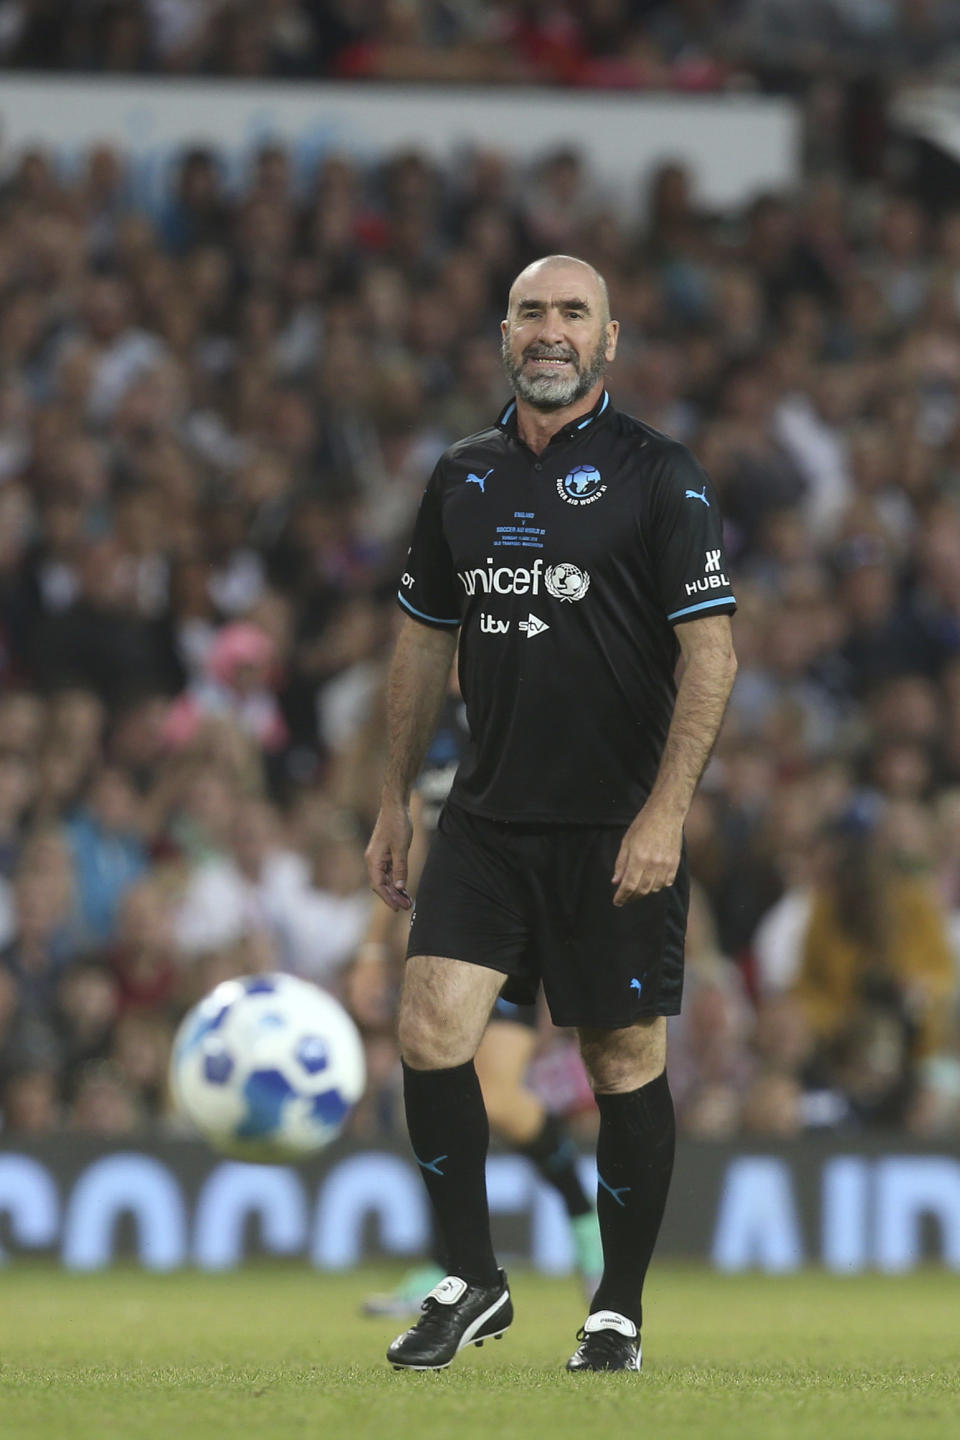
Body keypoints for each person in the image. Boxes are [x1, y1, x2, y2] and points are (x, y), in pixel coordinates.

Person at [365, 253, 737, 1373]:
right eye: (532, 311)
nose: (551, 330)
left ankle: (616, 1306)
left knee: (624, 1063)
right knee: (429, 1031)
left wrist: (666, 814)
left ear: (609, 340)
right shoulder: (462, 475)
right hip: (486, 816)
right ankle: (473, 1278)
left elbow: (712, 655)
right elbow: (424, 639)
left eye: (574, 312)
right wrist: (393, 799)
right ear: (504, 333)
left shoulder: (660, 475)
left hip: (615, 827)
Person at [352, 680, 603, 1317]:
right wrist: (373, 949)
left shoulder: (528, 708)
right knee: (431, 1092)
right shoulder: (429, 729)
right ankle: (447, 1268)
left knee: (492, 1095)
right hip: (443, 932)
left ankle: (586, 1227)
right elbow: (407, 844)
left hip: (514, 926)